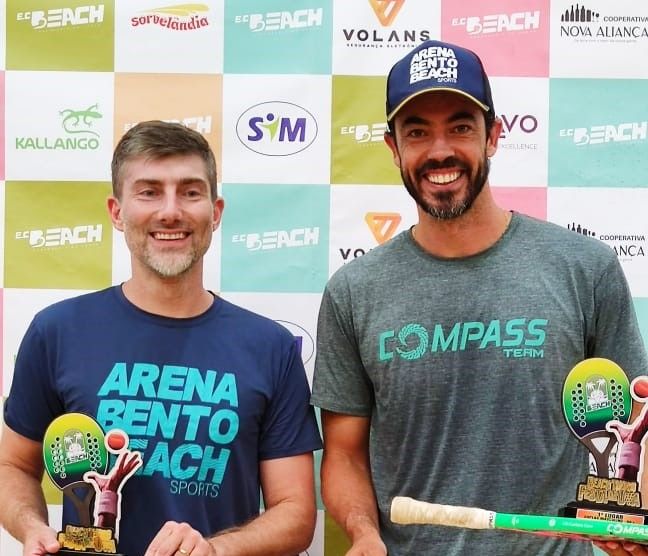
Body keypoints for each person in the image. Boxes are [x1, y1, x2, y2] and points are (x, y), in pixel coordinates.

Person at [310, 39, 648, 556]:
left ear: (493, 136)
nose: (440, 150)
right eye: (417, 131)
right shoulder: (353, 292)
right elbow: (345, 454)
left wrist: (628, 512)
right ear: (393, 148)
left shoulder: (586, 267)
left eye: (461, 127)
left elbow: (633, 432)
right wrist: (363, 533)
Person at [0, 120, 322, 556]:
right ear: (116, 212)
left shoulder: (270, 347)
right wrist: (31, 526)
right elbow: (12, 466)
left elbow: (296, 512)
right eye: (149, 191)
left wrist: (214, 550)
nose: (170, 211)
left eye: (190, 192)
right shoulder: (57, 331)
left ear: (216, 211)